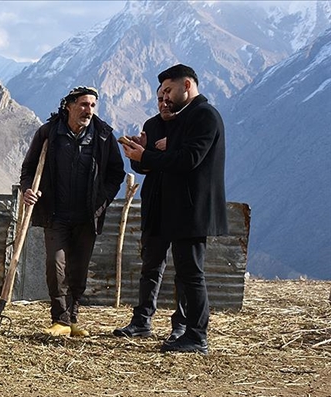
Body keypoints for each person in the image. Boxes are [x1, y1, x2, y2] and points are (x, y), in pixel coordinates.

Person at [120, 64, 227, 355]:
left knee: (191, 274)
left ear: (187, 85)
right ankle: (151, 323)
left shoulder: (204, 116)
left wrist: (150, 154)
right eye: (161, 93)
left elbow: (189, 158)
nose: (164, 97)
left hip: (190, 209)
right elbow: (155, 161)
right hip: (167, 208)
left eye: (168, 90)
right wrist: (142, 155)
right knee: (160, 267)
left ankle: (194, 335)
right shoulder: (172, 120)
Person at [20, 86, 125, 337]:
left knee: (79, 268)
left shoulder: (102, 136)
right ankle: (60, 318)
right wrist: (27, 190)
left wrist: (103, 200)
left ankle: (73, 317)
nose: (88, 110)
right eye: (83, 104)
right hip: (55, 213)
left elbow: (116, 173)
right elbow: (29, 169)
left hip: (87, 215)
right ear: (69, 105)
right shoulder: (49, 133)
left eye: (92, 106)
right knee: (55, 264)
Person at [113, 85, 187, 342]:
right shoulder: (152, 125)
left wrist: (167, 149)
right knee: (151, 264)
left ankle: (182, 325)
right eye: (159, 99)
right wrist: (137, 153)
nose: (164, 103)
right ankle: (142, 320)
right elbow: (143, 166)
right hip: (155, 204)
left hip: (181, 207)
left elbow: (190, 161)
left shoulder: (188, 127)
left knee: (185, 269)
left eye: (167, 98)